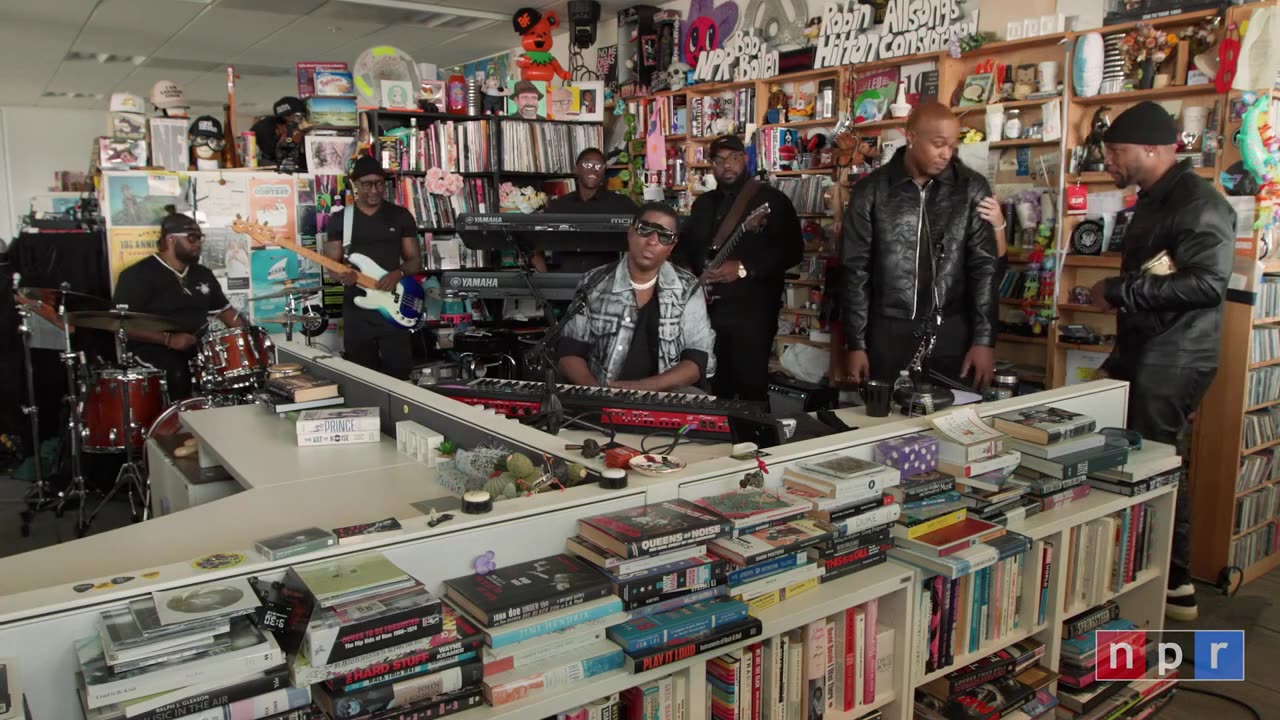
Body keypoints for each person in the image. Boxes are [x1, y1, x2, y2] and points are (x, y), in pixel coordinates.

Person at [1087, 101, 1233, 622]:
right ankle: (1129, 565)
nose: (1109, 159)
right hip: (1145, 351)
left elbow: (1207, 284)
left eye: (1117, 151)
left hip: (1176, 357)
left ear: (1151, 149)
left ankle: (1173, 581)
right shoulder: (1152, 199)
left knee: (1158, 461)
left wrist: (1123, 289)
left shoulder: (1199, 204)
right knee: (1125, 451)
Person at [841, 102, 1000, 390]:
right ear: (911, 136)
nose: (946, 154)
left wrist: (984, 340)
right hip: (888, 332)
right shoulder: (872, 191)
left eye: (952, 145)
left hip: (953, 330)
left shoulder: (971, 187)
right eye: (938, 144)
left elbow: (984, 267)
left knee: (954, 421)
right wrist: (856, 344)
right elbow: (855, 271)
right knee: (885, 426)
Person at [679, 135, 802, 403]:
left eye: (733, 158)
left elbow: (793, 252)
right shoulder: (703, 204)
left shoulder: (772, 200)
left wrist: (745, 267)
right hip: (707, 311)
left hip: (752, 313)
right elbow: (688, 249)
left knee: (751, 387)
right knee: (711, 385)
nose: (727, 165)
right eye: (720, 159)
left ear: (744, 159)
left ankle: (757, 442)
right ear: (711, 164)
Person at [559, 203, 716, 391]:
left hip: (663, 397)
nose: (652, 241)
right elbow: (569, 352)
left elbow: (697, 361)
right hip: (600, 394)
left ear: (672, 246)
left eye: (664, 236)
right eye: (645, 229)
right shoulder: (593, 282)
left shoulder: (688, 288)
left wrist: (638, 390)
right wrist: (598, 394)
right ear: (630, 231)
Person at [112, 208, 245, 400]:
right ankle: (178, 424)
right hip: (151, 349)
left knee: (230, 369)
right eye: (192, 238)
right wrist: (168, 339)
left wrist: (249, 340)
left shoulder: (202, 274)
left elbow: (227, 313)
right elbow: (121, 325)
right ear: (170, 239)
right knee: (177, 370)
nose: (198, 243)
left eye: (200, 237)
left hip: (195, 347)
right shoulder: (136, 275)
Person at [324, 156, 422, 381]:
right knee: (362, 377)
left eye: (379, 183)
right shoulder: (341, 220)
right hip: (357, 311)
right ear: (355, 184)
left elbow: (415, 260)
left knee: (399, 374)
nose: (374, 190)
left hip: (393, 308)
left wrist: (398, 274)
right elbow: (333, 263)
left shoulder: (400, 215)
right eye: (367, 184)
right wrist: (341, 275)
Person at [534, 148, 638, 273]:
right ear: (577, 169)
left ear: (604, 171)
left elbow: (643, 235)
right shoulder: (558, 206)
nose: (593, 169)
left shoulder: (621, 204)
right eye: (587, 164)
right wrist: (546, 280)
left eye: (599, 165)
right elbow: (533, 247)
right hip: (565, 283)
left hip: (606, 282)